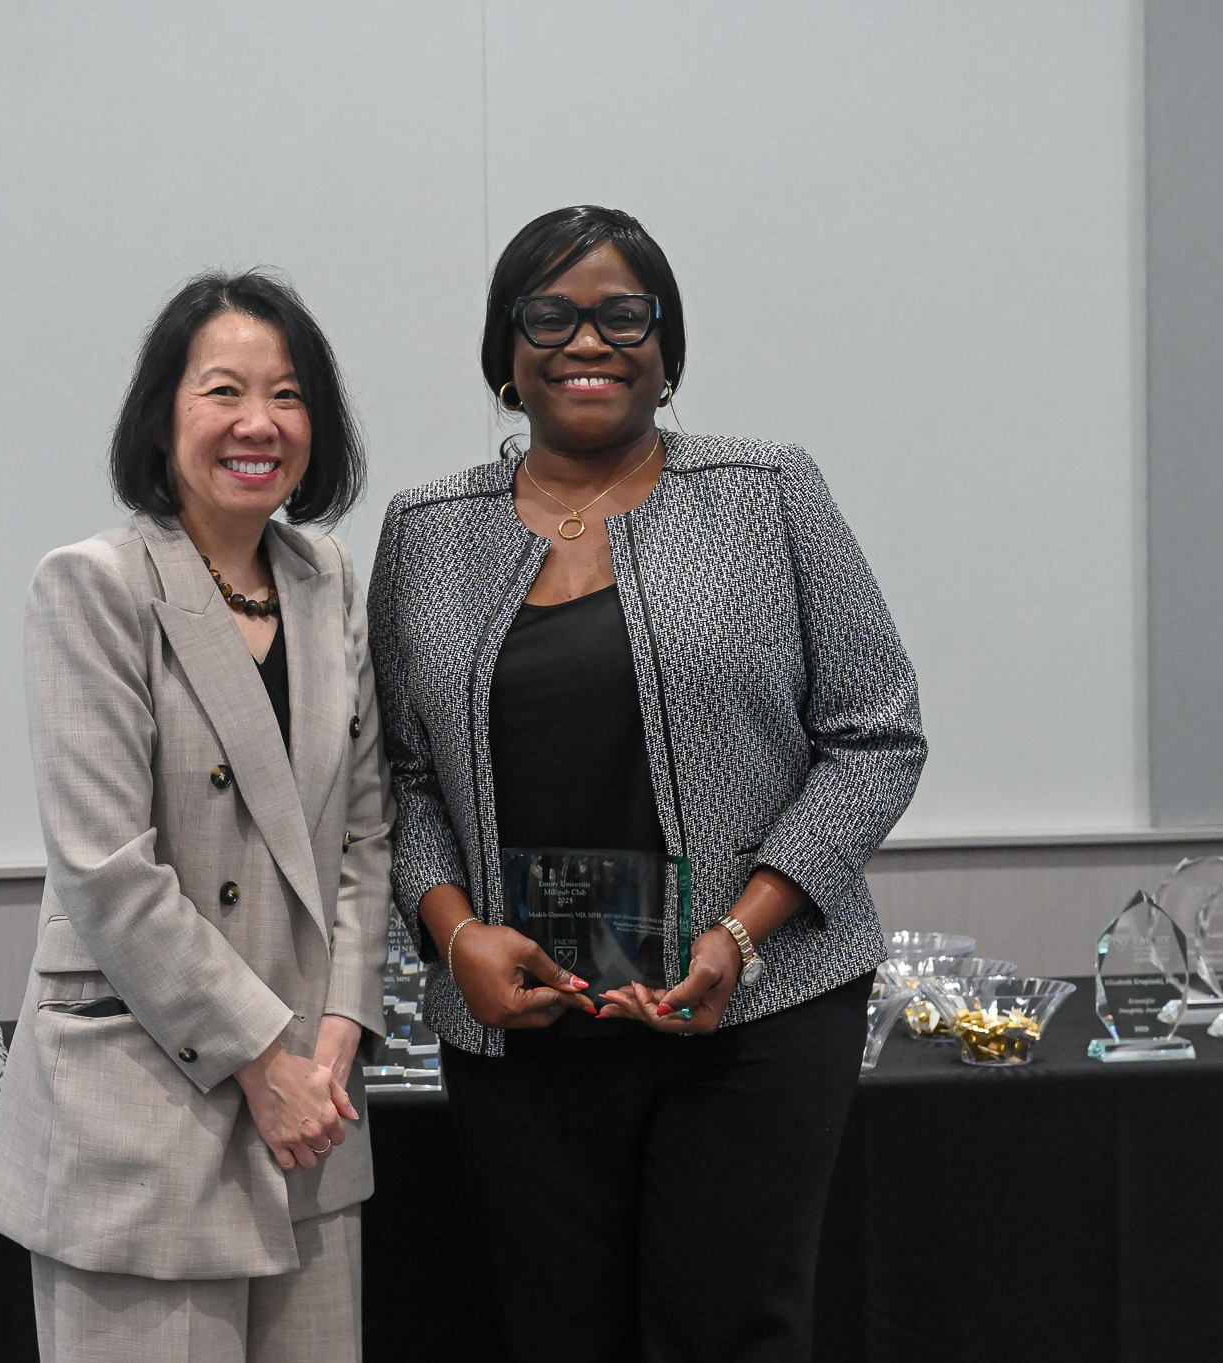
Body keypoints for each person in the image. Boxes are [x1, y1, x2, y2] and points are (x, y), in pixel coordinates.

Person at [367, 205, 927, 1362]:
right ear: (503, 352)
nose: (588, 340)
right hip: (520, 1024)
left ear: (666, 351)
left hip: (752, 1012)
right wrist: (453, 930)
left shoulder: (768, 490)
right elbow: (402, 779)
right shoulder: (424, 530)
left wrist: (740, 932)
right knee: (551, 1334)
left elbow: (876, 734)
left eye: (624, 314)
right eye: (550, 314)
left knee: (727, 1333)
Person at [0, 269, 393, 1363]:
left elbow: (364, 829)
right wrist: (266, 1059)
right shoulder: (92, 585)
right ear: (163, 413)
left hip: (311, 1105)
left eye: (289, 394)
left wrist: (337, 1034)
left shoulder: (329, 580)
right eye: (224, 391)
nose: (258, 423)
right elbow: (105, 871)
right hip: (145, 1097)